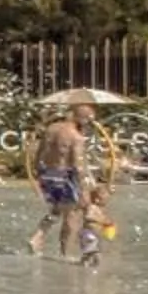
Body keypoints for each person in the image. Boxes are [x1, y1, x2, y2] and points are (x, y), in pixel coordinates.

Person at [27, 103, 92, 257]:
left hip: (47, 174)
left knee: (56, 210)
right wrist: (84, 188)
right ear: (82, 120)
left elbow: (39, 154)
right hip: (65, 176)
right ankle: (66, 253)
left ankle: (38, 236)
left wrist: (37, 175)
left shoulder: (51, 129)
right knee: (72, 214)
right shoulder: (76, 137)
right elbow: (77, 164)